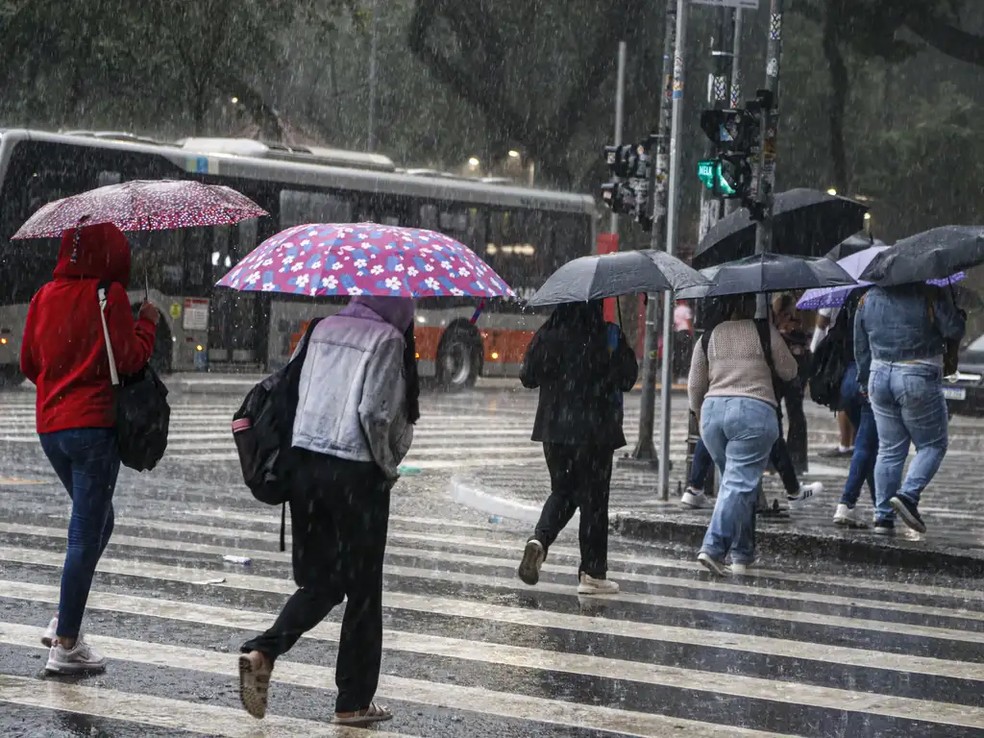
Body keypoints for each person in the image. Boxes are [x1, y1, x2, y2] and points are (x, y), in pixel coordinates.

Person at [238, 295, 418, 725]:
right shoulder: (388, 338)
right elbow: (374, 413)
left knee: (321, 583)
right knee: (363, 592)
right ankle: (353, 701)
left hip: (305, 468)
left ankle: (263, 651)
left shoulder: (321, 328)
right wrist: (388, 465)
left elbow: (292, 391)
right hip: (356, 473)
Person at [20, 223, 159, 674]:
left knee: (101, 520)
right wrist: (147, 323)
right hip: (93, 428)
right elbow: (131, 358)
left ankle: (66, 613)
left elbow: (27, 363)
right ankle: (65, 644)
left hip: (50, 429)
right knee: (85, 533)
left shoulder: (44, 295)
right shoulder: (108, 293)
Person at [516, 301, 638, 595]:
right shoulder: (607, 334)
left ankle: (540, 540)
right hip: (596, 432)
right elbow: (628, 379)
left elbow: (527, 377)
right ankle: (593, 574)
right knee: (594, 502)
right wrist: (618, 347)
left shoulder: (549, 333)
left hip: (554, 431)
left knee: (564, 491)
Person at [689, 294, 798, 576]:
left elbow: (695, 384)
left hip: (713, 415)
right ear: (752, 305)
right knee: (738, 485)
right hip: (752, 412)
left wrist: (699, 414)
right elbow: (789, 370)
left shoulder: (709, 336)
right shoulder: (763, 331)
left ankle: (742, 553)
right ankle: (713, 548)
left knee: (736, 484)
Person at [855, 283, 965, 535]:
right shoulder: (929, 293)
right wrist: (954, 310)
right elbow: (953, 329)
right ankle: (908, 495)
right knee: (932, 445)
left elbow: (860, 343)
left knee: (889, 449)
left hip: (878, 374)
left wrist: (864, 380)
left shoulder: (867, 298)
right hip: (917, 372)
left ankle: (882, 516)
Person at [829, 288, 879, 528]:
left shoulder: (852, 298)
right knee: (865, 446)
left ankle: (881, 504)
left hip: (848, 381)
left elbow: (838, 337)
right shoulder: (878, 301)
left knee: (867, 445)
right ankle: (846, 503)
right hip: (865, 377)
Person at [683, 434, 822, 510]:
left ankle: (694, 488)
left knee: (709, 429)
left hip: (715, 400)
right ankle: (794, 492)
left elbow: (695, 385)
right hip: (751, 401)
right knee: (773, 435)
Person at [772, 294, 811, 474]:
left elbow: (802, 347)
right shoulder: (770, 322)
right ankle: (777, 456)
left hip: (795, 368)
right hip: (780, 370)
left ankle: (795, 459)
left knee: (794, 411)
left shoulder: (797, 326)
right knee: (775, 411)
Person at [813, 307, 855, 457]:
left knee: (842, 398)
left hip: (840, 351)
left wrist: (814, 350)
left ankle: (845, 444)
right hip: (856, 348)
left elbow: (822, 321)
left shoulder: (836, 289)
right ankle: (855, 442)